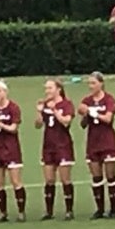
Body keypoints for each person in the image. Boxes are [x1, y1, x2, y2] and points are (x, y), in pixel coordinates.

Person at [81, 71, 115, 218]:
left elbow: (108, 119)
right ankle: (99, 209)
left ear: (101, 84)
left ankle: (113, 209)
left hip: (107, 141)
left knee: (110, 175)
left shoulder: (109, 99)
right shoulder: (87, 100)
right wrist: (85, 114)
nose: (91, 86)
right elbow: (83, 124)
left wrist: (93, 113)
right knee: (96, 176)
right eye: (89, 83)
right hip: (93, 142)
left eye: (93, 83)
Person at [0, 80, 25, 222]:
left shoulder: (13, 108)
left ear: (5, 92)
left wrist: (0, 124)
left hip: (11, 148)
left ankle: (21, 211)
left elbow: (14, 128)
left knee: (15, 181)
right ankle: (2, 212)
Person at [38, 78, 77, 219]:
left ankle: (69, 210)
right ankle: (49, 211)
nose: (47, 91)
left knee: (65, 179)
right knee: (49, 179)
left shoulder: (66, 104)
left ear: (58, 89)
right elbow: (38, 124)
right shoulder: (45, 105)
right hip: (48, 145)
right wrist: (39, 112)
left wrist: (55, 110)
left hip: (63, 145)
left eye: (50, 88)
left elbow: (66, 122)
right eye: (46, 88)